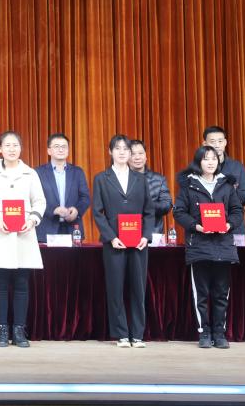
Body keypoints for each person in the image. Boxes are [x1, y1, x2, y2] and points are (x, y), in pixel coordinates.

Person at [0, 131, 46, 348]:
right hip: (0, 232)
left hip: (24, 233)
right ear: (0, 149)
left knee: (22, 283)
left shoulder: (30, 173)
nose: (12, 149)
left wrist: (32, 220)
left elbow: (40, 201)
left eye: (15, 145)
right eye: (7, 145)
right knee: (0, 283)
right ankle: (2, 330)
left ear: (21, 148)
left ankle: (19, 330)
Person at [172, 145, 243, 349]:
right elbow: (179, 212)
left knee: (221, 293)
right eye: (206, 159)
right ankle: (204, 332)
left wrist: (229, 224)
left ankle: (219, 333)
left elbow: (237, 211)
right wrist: (196, 226)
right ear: (198, 162)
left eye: (214, 158)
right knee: (201, 294)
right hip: (199, 246)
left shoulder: (227, 185)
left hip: (223, 246)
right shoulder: (189, 185)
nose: (210, 162)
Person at [93, 134, 155, 348]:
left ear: (130, 153)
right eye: (117, 148)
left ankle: (137, 334)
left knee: (138, 288)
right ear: (110, 152)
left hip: (138, 242)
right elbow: (98, 212)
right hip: (114, 242)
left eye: (125, 149)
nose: (121, 152)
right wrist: (111, 237)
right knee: (115, 288)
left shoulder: (141, 179)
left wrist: (146, 236)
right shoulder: (101, 178)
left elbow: (149, 211)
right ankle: (121, 334)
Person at [35, 133, 90, 240]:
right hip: (47, 228)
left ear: (68, 150)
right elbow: (34, 200)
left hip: (72, 228)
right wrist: (53, 210)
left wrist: (77, 211)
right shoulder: (38, 172)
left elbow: (85, 198)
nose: (61, 149)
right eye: (56, 146)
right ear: (49, 151)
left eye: (64, 147)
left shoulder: (77, 172)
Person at [202, 126, 245, 207]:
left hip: (231, 213)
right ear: (205, 144)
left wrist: (229, 189)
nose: (217, 145)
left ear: (225, 142)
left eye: (220, 141)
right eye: (212, 142)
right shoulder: (197, 167)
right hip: (206, 212)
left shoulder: (237, 167)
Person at [129, 139, 172, 234]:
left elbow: (167, 205)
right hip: (127, 230)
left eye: (140, 153)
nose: (137, 157)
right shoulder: (120, 179)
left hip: (153, 233)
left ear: (146, 157)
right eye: (133, 154)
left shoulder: (159, 179)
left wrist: (147, 205)